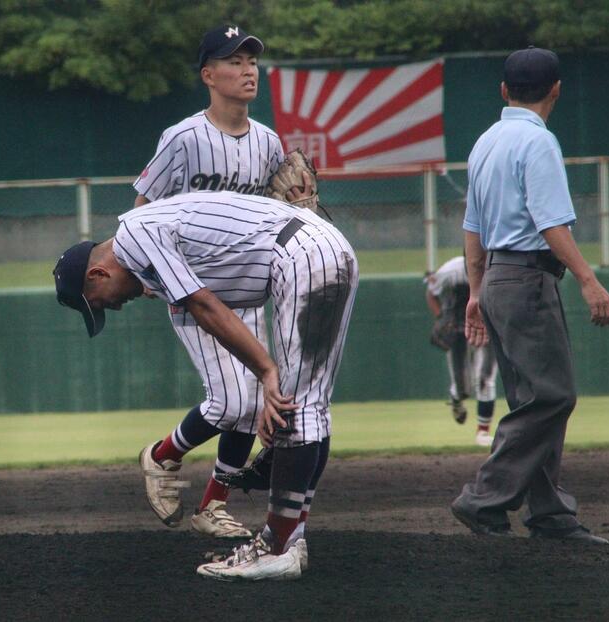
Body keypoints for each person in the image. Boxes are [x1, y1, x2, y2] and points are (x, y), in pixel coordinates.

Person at [54, 191, 358, 580]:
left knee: (293, 406)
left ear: (98, 274)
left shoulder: (135, 231)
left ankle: (275, 547)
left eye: (97, 302)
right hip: (323, 248)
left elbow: (203, 304)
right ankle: (290, 537)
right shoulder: (143, 241)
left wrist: (266, 373)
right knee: (307, 407)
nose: (110, 308)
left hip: (305, 257)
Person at [131, 25, 315, 540]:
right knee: (236, 402)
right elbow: (143, 208)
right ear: (209, 75)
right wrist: (148, 267)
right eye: (234, 62)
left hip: (249, 288)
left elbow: (274, 213)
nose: (248, 69)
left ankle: (212, 504)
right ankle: (162, 455)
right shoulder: (183, 138)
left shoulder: (269, 143)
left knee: (257, 403)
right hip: (194, 289)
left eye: (252, 60)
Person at [451, 48, 609, 543]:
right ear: (556, 89)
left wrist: (476, 292)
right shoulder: (538, 143)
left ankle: (550, 513)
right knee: (553, 396)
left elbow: (473, 228)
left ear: (504, 91)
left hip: (499, 279)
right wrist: (588, 278)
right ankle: (483, 497)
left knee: (529, 399)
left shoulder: (485, 141)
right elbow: (550, 224)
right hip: (527, 280)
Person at [425, 256, 498, 446]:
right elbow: (431, 293)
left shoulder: (497, 266)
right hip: (457, 326)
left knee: (485, 378)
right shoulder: (450, 272)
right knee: (462, 386)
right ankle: (456, 398)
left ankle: (482, 432)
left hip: (488, 325)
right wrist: (440, 316)